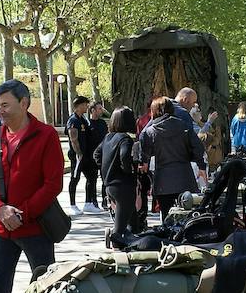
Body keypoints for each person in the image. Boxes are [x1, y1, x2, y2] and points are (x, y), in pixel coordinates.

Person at [0, 79, 66, 293]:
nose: (0, 111)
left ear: (24, 103)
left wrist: (22, 214)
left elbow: (53, 184)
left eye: (5, 105)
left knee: (45, 288)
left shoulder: (46, 135)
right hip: (1, 229)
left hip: (36, 229)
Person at [137, 96, 204, 219]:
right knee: (187, 213)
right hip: (184, 176)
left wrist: (144, 162)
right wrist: (201, 167)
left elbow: (144, 152)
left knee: (166, 214)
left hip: (163, 179)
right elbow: (198, 147)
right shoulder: (183, 126)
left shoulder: (150, 131)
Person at [94, 107, 140, 243]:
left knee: (132, 218)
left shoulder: (108, 137)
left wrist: (105, 167)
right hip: (123, 184)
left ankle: (133, 237)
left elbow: (96, 154)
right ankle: (116, 241)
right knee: (120, 226)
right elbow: (124, 155)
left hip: (110, 184)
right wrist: (129, 170)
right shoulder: (125, 139)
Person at [65, 96, 101, 214]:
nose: (87, 107)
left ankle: (88, 203)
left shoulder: (83, 119)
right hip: (77, 155)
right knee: (75, 178)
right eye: (85, 104)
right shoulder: (73, 120)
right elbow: (73, 139)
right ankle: (72, 204)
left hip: (86, 154)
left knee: (91, 176)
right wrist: (78, 153)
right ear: (79, 105)